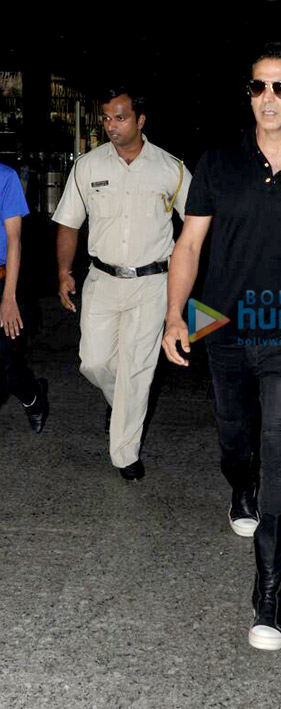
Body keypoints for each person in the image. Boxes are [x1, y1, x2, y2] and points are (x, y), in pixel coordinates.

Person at [162, 43, 281, 651]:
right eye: (257, 87)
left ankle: (269, 592)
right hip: (220, 321)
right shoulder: (218, 162)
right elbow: (188, 247)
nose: (266, 98)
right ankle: (238, 484)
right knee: (236, 436)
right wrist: (174, 316)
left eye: (279, 87)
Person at [53, 87, 191, 481]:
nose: (111, 126)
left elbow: (197, 222)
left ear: (140, 119)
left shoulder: (170, 168)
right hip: (102, 279)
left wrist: (183, 261)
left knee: (136, 370)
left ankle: (125, 454)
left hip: (153, 283)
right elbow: (68, 222)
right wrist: (65, 271)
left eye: (120, 118)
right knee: (93, 361)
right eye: (107, 119)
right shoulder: (88, 166)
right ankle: (122, 403)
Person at [0, 163, 48, 432]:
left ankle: (33, 397)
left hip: (2, 281)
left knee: (7, 367)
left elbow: (14, 240)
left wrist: (9, 298)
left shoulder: (5, 178)